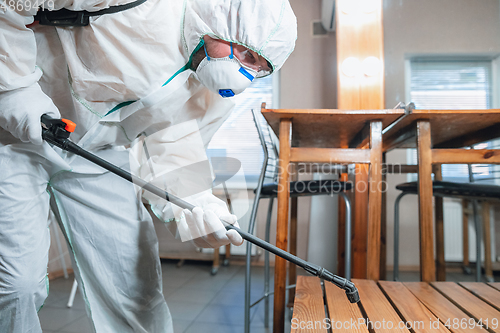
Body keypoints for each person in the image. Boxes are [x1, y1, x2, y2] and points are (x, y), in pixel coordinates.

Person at [0, 0, 297, 332]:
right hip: (16, 136)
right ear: (224, 18)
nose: (243, 75)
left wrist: (198, 209)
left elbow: (175, 151)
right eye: (248, 54)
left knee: (134, 289)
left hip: (99, 155)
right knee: (15, 285)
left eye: (258, 68)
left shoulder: (210, 92)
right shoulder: (144, 5)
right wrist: (14, 90)